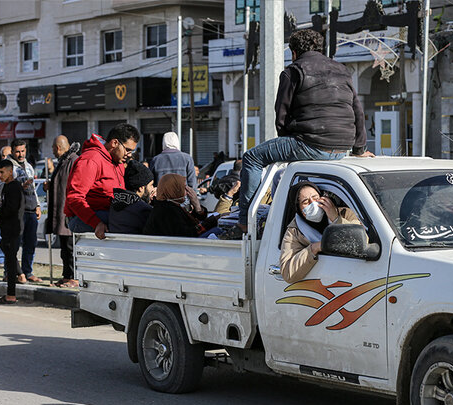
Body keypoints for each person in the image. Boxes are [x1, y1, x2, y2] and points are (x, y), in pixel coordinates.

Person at [236, 29, 373, 236]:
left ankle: (247, 220)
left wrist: (287, 141)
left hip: (309, 142)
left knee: (252, 158)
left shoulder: (293, 71)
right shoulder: (342, 71)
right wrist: (359, 148)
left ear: (293, 52)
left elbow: (281, 113)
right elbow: (358, 111)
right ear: (320, 48)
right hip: (343, 147)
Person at [65, 123, 140, 239]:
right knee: (127, 222)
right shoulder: (91, 160)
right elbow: (75, 198)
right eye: (128, 150)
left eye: (132, 152)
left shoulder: (118, 162)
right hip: (85, 218)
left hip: (108, 214)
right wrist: (96, 223)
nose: (129, 155)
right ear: (114, 143)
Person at [280, 182, 361, 283]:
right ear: (298, 209)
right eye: (306, 202)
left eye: (315, 197)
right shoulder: (295, 231)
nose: (313, 203)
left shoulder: (346, 214)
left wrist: (336, 219)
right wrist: (314, 248)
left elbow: (360, 240)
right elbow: (288, 273)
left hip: (352, 277)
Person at [46, 135, 81, 288]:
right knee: (64, 248)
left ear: (58, 147)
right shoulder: (62, 161)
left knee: (70, 247)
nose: (53, 151)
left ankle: (75, 277)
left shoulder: (73, 160)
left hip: (68, 212)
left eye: (53, 148)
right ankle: (66, 275)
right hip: (60, 211)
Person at [143, 173, 216, 237]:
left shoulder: (172, 205)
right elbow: (187, 235)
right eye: (183, 188)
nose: (187, 192)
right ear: (174, 190)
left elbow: (200, 216)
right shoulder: (167, 210)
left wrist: (196, 204)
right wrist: (210, 222)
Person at [0, 160, 25, 304]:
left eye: (2, 172)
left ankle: (11, 295)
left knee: (11, 261)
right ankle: (16, 283)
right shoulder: (7, 187)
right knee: (10, 259)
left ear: (10, 171)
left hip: (13, 229)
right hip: (7, 229)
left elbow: (12, 208)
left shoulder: (14, 187)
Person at [11, 139, 41, 282]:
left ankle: (28, 272)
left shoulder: (29, 166)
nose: (20, 154)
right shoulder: (9, 167)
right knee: (15, 243)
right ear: (12, 151)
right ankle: (12, 272)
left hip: (30, 209)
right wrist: (20, 187)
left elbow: (33, 188)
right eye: (17, 151)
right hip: (17, 210)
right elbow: (3, 188)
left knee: (30, 243)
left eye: (23, 151)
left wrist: (38, 205)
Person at [108, 161, 155, 235]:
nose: (153, 189)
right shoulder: (143, 210)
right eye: (151, 185)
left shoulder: (115, 203)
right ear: (141, 188)